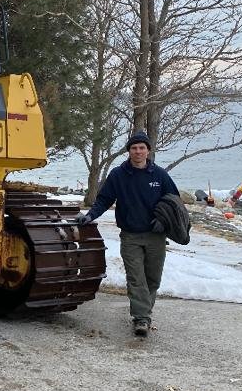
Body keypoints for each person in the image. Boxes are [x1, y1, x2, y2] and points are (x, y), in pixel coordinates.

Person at [78, 130, 181, 339]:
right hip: (130, 235)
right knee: (136, 278)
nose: (138, 151)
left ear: (148, 151)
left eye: (142, 148)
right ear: (129, 151)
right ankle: (141, 318)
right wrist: (90, 215)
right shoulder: (118, 174)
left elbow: (174, 201)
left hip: (156, 236)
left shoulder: (159, 175)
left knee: (153, 279)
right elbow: (104, 200)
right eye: (134, 148)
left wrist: (164, 221)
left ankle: (144, 313)